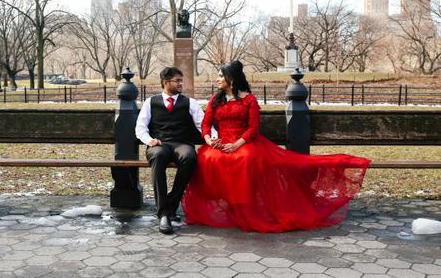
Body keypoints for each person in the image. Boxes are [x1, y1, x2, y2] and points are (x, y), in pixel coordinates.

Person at [181, 61, 371, 233]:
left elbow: (253, 129)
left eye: (221, 75)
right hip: (221, 141)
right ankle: (228, 204)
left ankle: (244, 206)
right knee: (208, 158)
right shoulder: (216, 99)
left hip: (243, 142)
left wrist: (237, 144)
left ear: (231, 78)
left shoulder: (249, 100)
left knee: (244, 159)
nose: (217, 79)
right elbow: (206, 124)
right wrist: (208, 139)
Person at [136, 67, 204, 234]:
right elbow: (140, 128)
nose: (181, 83)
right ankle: (164, 214)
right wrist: (149, 140)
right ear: (165, 83)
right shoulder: (150, 102)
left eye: (181, 80)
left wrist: (212, 138)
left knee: (189, 156)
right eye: (177, 81)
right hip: (159, 144)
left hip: (182, 143)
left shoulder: (190, 103)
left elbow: (203, 125)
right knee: (158, 156)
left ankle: (171, 203)